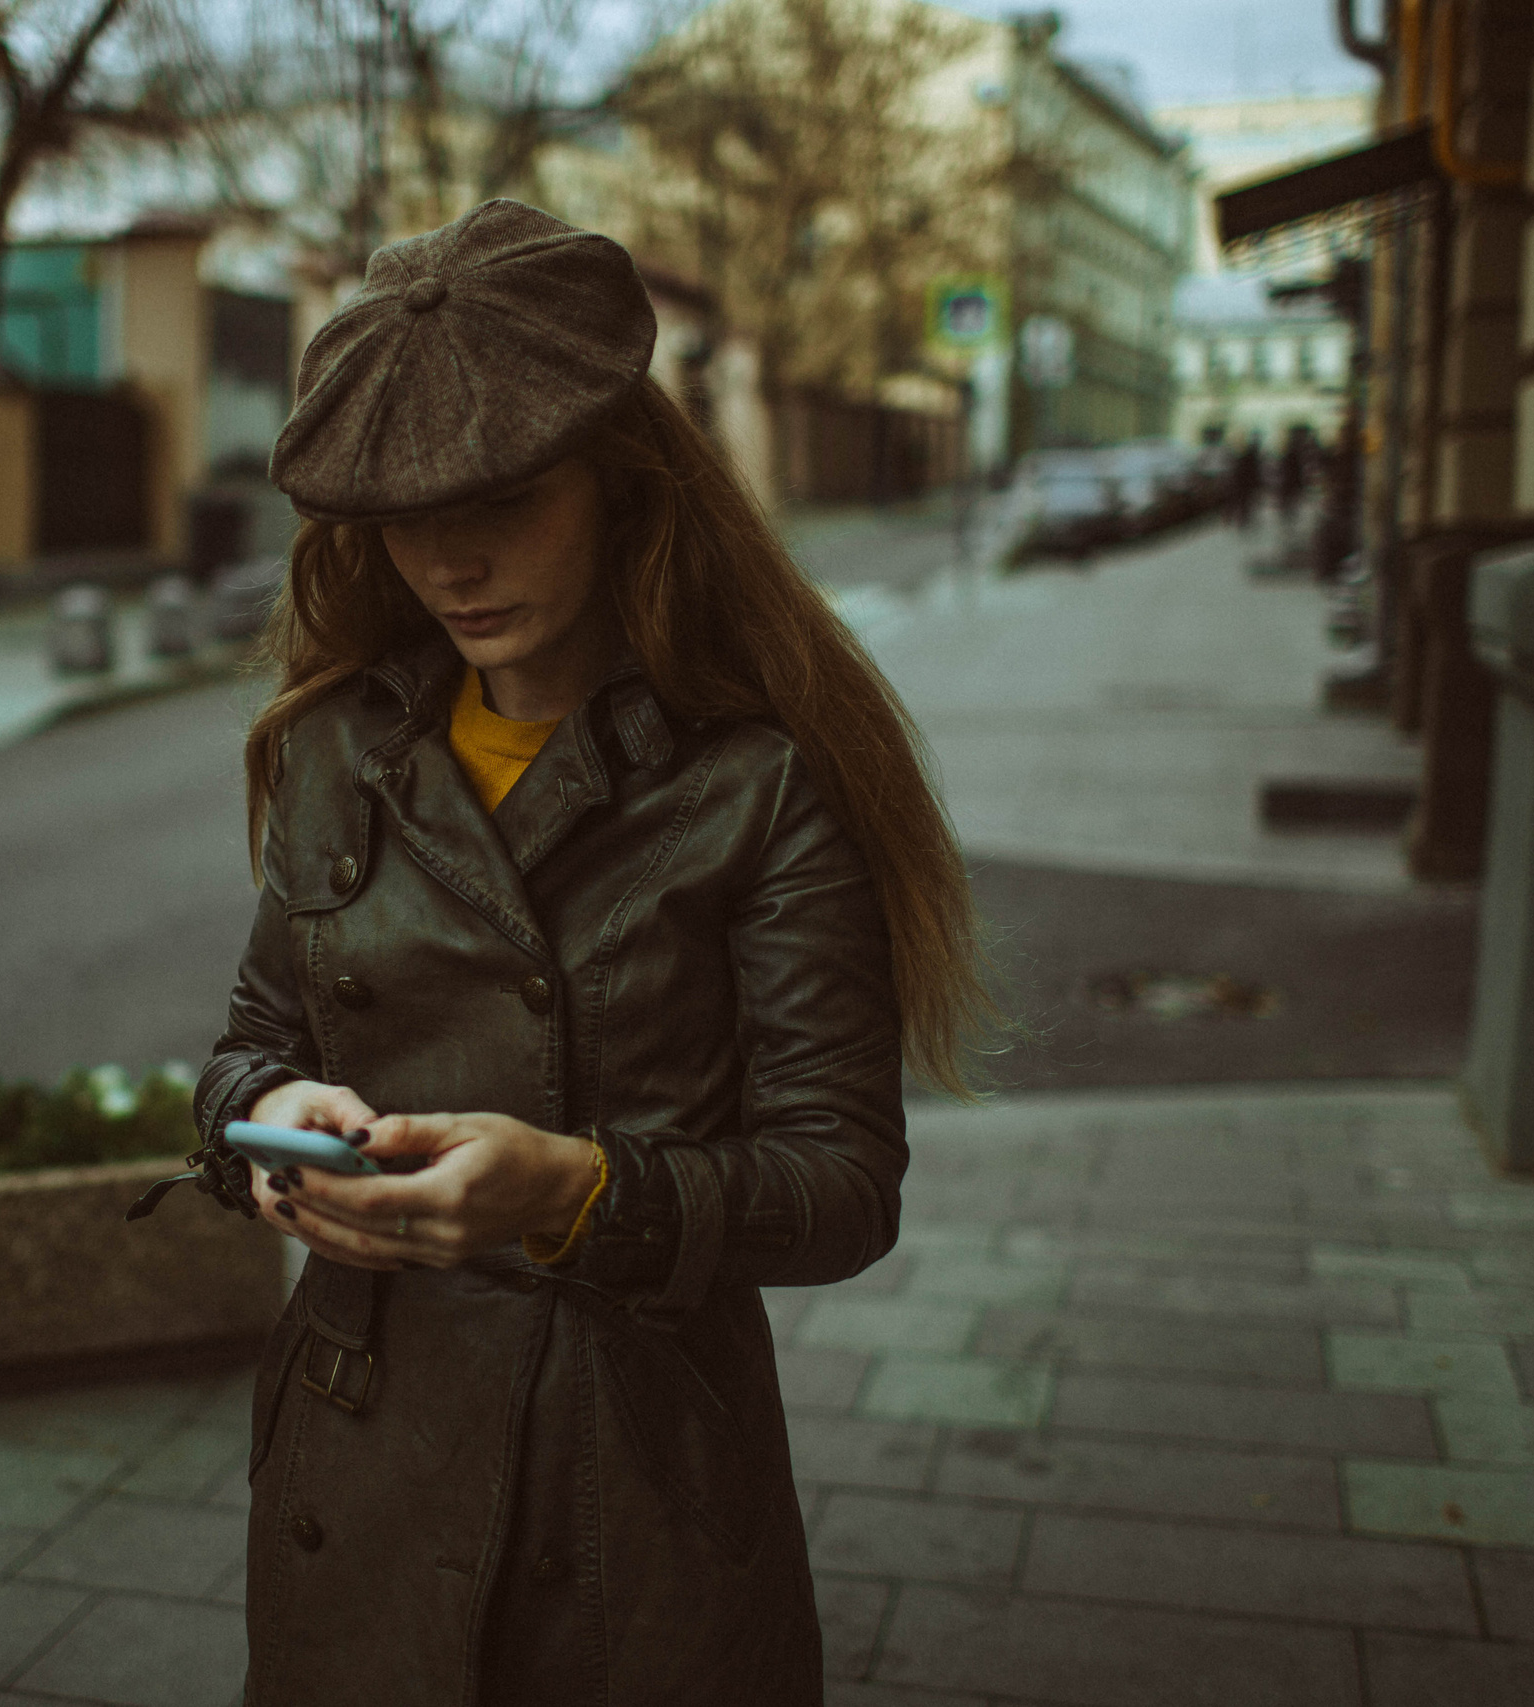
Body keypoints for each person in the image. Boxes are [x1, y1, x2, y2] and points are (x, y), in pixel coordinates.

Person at [188, 200, 992, 1707]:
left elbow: (840, 1185)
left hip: (628, 1488)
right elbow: (254, 1032)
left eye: (505, 497)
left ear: (625, 487)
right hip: (357, 1452)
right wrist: (268, 1129)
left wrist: (574, 1190)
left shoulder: (757, 780)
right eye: (402, 510)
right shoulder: (331, 749)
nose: (448, 558)